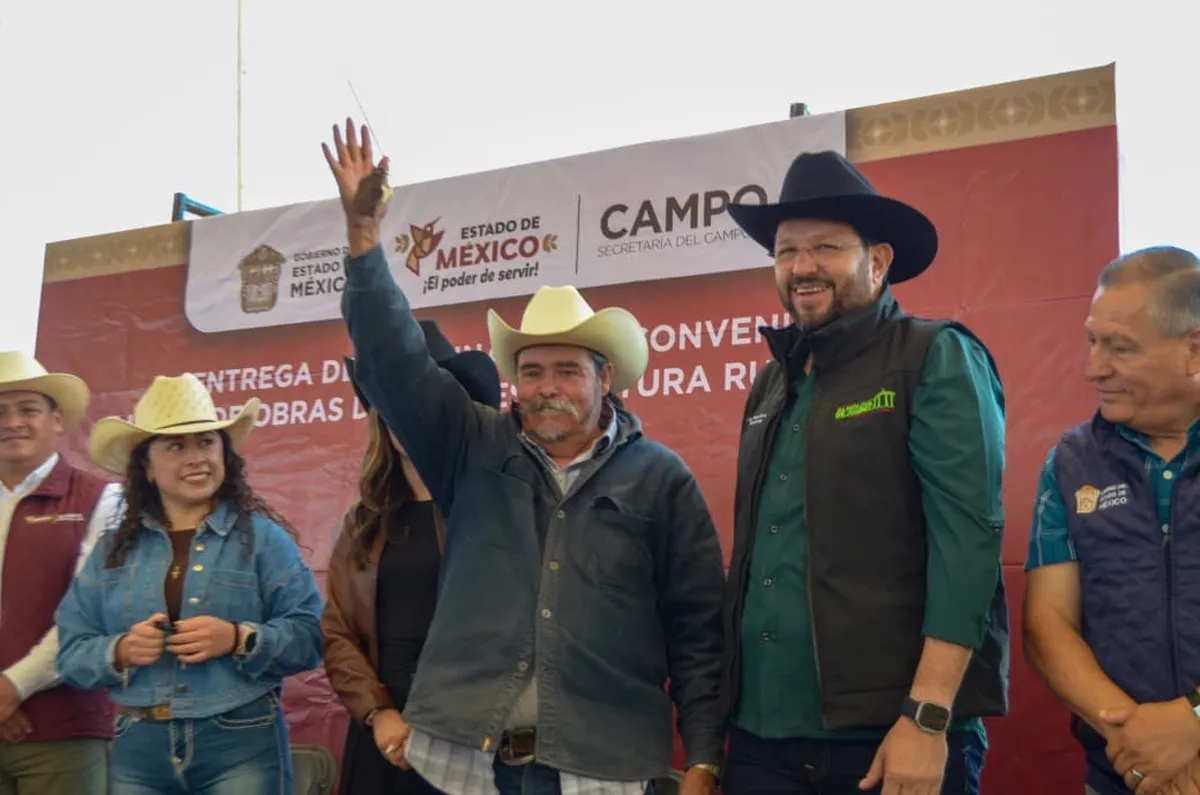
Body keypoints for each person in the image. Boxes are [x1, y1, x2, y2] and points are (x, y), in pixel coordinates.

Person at [322, 119, 726, 795]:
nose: (546, 388)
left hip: (603, 770)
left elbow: (698, 631)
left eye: (567, 370)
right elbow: (393, 363)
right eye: (532, 370)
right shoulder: (470, 445)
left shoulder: (662, 479)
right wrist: (364, 242)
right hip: (460, 768)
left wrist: (706, 756)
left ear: (607, 379)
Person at [718, 151, 1009, 795]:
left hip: (889, 739)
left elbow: (970, 549)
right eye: (786, 251)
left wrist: (928, 719)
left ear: (877, 262)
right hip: (761, 741)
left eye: (825, 246)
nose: (801, 267)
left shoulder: (935, 356)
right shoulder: (770, 382)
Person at [54, 372, 325, 795]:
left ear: (224, 452)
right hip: (138, 746)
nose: (197, 457)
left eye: (207, 442)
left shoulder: (262, 538)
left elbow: (312, 635)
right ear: (145, 465)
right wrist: (121, 650)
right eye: (176, 446)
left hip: (241, 738)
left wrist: (239, 638)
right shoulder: (112, 550)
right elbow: (70, 651)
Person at [1023, 246, 1200, 795]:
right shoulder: (1071, 463)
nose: (1093, 367)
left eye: (1119, 348)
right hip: (1124, 776)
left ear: (1194, 350)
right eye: (1092, 341)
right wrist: (1141, 745)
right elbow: (1047, 624)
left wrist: (1192, 721)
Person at [323, 320, 503, 795]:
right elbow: (338, 632)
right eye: (397, 400)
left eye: (425, 399)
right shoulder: (363, 521)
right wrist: (379, 714)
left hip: (472, 733)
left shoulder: (500, 506)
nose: (412, 414)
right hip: (385, 734)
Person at [0, 351, 123, 794]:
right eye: (0, 411)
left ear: (57, 420)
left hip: (64, 733)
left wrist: (12, 688)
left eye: (28, 409)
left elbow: (89, 613)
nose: (12, 421)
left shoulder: (103, 499)